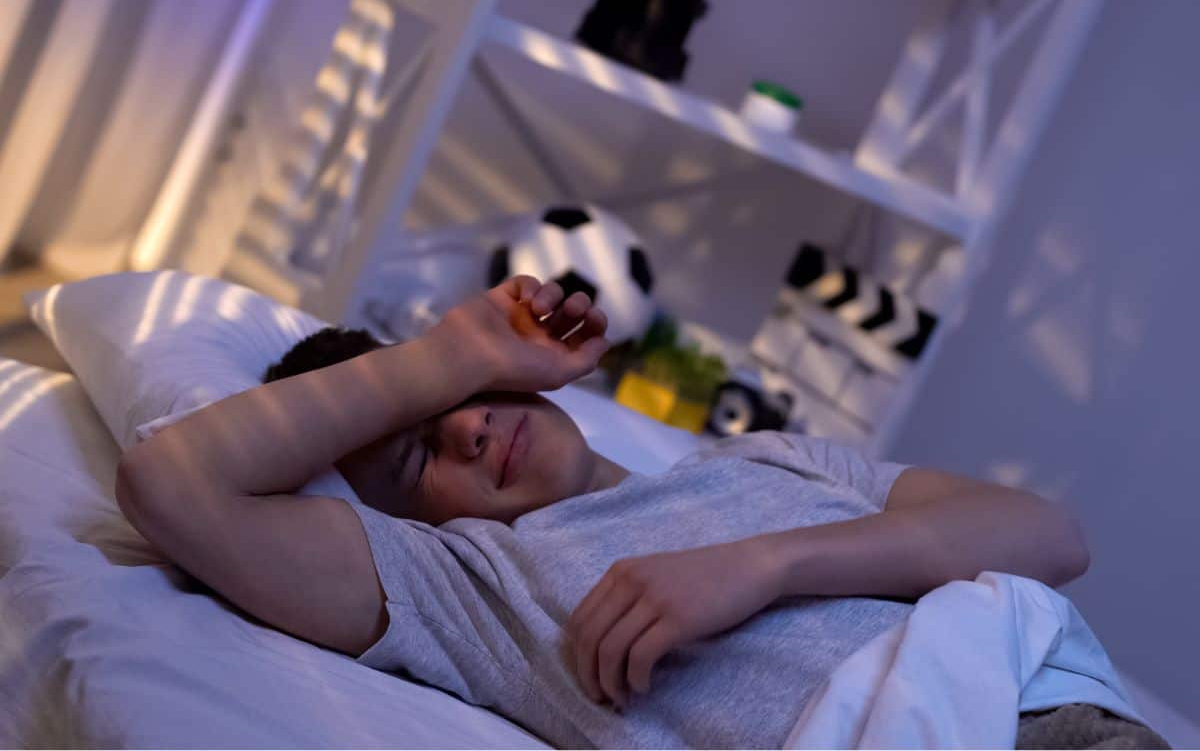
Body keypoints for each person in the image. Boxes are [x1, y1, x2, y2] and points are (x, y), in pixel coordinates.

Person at [116, 276, 1094, 748]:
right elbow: (171, 487)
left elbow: (1049, 534)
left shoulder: (763, 456)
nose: (468, 426)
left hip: (1060, 712)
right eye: (420, 448)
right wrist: (448, 354)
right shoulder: (465, 582)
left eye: (479, 388)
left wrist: (761, 563)